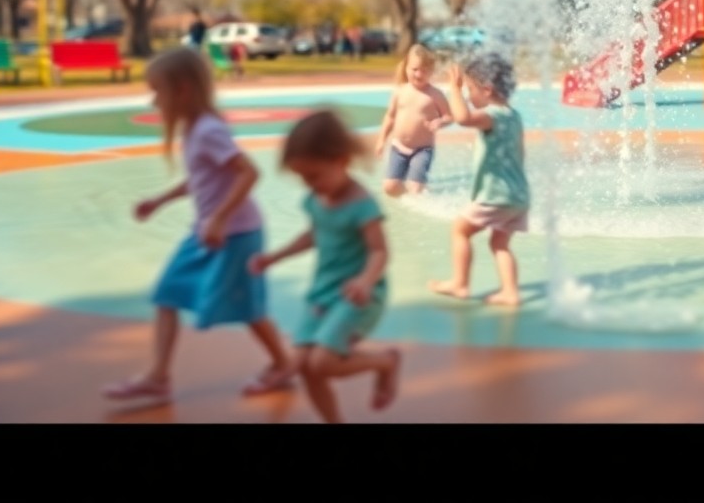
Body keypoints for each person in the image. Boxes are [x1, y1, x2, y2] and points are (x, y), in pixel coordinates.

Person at [102, 47, 294, 401]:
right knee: (167, 293)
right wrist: (160, 201)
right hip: (209, 232)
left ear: (184, 90)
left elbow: (249, 172)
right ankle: (158, 376)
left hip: (236, 234)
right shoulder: (195, 130)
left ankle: (283, 363)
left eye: (157, 91)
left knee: (249, 309)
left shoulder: (207, 130)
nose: (153, 101)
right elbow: (202, 179)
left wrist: (220, 218)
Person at [248, 110, 401, 423]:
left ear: (342, 160)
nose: (310, 185)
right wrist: (274, 257)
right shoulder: (317, 199)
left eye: (314, 176)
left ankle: (385, 362)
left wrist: (365, 281)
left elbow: (380, 252)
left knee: (321, 363)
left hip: (357, 295)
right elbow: (314, 235)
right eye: (303, 178)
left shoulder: (362, 205)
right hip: (322, 293)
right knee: (305, 367)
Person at [428, 52, 530, 307]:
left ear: (486, 90)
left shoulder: (492, 116)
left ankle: (460, 283)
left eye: (471, 90)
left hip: (495, 195)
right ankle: (510, 292)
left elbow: (462, 119)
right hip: (518, 196)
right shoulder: (514, 116)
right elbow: (520, 152)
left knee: (460, 230)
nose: (469, 97)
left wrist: (454, 89)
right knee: (500, 243)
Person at [374, 44, 453, 197]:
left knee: (415, 190)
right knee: (390, 188)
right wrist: (381, 140)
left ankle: (417, 188)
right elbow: (390, 117)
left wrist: (441, 122)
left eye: (424, 70)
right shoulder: (400, 91)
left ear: (432, 71)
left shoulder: (435, 94)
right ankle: (411, 190)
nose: (418, 74)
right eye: (414, 69)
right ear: (406, 68)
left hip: (422, 150)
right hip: (398, 147)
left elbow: (449, 116)